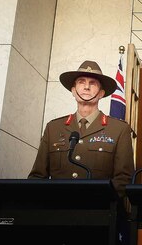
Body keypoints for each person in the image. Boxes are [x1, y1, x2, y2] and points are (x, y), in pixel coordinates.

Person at [28, 60, 135, 200]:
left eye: (92, 83)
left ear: (101, 93)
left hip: (99, 212)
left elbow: (123, 179)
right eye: (81, 82)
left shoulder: (119, 129)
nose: (86, 87)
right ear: (73, 91)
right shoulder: (53, 128)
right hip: (57, 210)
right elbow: (37, 176)